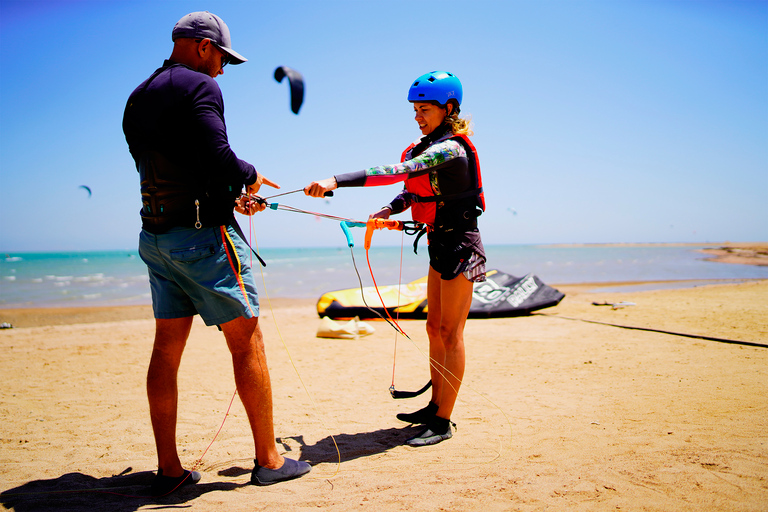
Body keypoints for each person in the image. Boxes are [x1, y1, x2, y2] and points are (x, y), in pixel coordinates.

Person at [122, 11, 311, 495]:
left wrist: (226, 195)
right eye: (224, 59)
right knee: (246, 340)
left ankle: (169, 471)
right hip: (204, 239)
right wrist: (247, 175)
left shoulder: (138, 95)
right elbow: (215, 154)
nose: (224, 70)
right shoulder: (202, 88)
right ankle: (269, 460)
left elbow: (174, 163)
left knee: (166, 349)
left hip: (156, 238)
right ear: (204, 47)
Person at [305, 71, 486, 446]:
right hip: (438, 243)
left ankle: (443, 421)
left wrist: (336, 180)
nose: (418, 117)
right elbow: (410, 190)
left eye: (425, 110)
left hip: (461, 246)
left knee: (451, 334)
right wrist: (389, 209)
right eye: (415, 110)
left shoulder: (451, 149)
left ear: (448, 108)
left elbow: (397, 171)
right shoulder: (425, 147)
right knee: (433, 328)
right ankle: (435, 406)